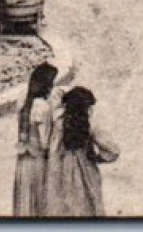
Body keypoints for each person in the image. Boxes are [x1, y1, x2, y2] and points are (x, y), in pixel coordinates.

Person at [45, 86, 119, 218]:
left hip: (64, 170)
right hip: (86, 169)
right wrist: (98, 158)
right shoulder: (90, 125)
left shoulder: (60, 124)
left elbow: (53, 151)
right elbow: (113, 150)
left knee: (68, 207)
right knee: (88, 204)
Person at [12, 62, 59, 217]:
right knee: (39, 200)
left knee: (24, 198)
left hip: (24, 158)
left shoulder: (24, 100)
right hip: (38, 160)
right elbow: (45, 142)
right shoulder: (42, 108)